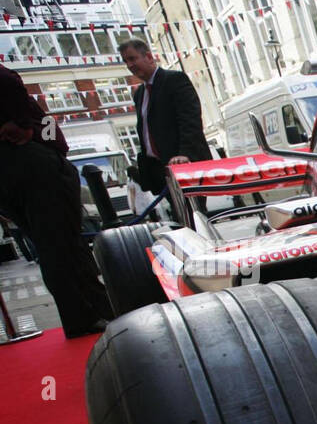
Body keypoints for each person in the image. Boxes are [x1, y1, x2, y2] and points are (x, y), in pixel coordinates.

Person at [0, 63, 112, 338]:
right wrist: (32, 134)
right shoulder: (7, 83)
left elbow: (49, 126)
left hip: (24, 166)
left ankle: (97, 308)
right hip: (35, 167)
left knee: (63, 245)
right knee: (59, 247)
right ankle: (82, 316)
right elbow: (46, 129)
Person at [119, 38, 211, 212]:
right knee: (179, 217)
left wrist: (185, 154)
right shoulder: (140, 94)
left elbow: (190, 119)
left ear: (148, 56)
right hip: (159, 170)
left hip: (182, 166)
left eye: (132, 58)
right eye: (126, 61)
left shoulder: (174, 80)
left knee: (194, 215)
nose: (130, 65)